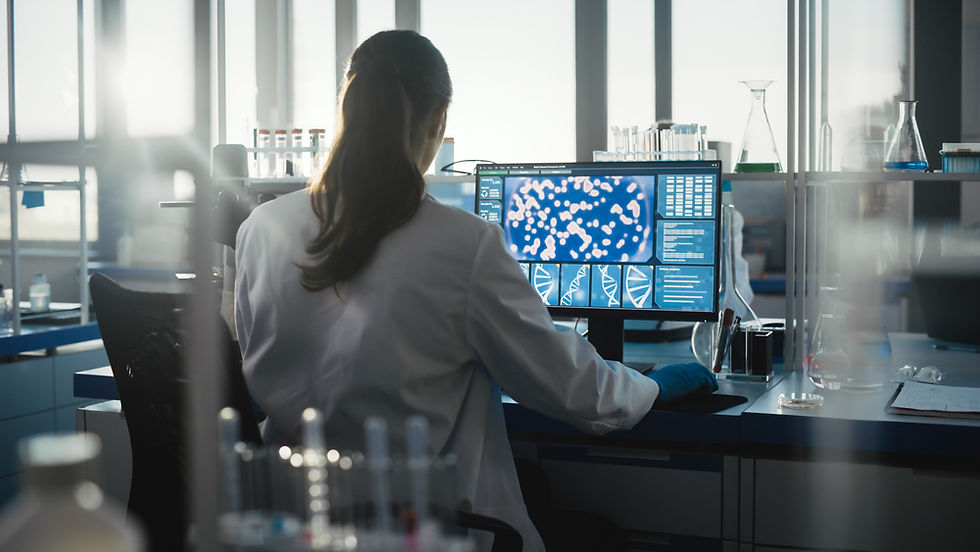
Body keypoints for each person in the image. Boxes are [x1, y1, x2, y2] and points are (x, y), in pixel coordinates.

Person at [235, 30, 718, 551]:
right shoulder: (461, 243)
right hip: (426, 531)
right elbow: (580, 395)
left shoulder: (261, 228)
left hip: (293, 526)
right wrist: (655, 388)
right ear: (438, 121)